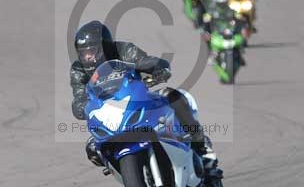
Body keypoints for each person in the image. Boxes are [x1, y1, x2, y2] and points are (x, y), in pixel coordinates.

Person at [70, 21, 221, 173]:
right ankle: (122, 168)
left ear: (104, 46)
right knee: (92, 148)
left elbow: (142, 61)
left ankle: (201, 146)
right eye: (83, 53)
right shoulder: (78, 69)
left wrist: (156, 67)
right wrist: (81, 106)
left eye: (91, 51)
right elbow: (79, 95)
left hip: (135, 97)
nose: (87, 57)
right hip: (107, 111)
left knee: (171, 95)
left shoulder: (122, 49)